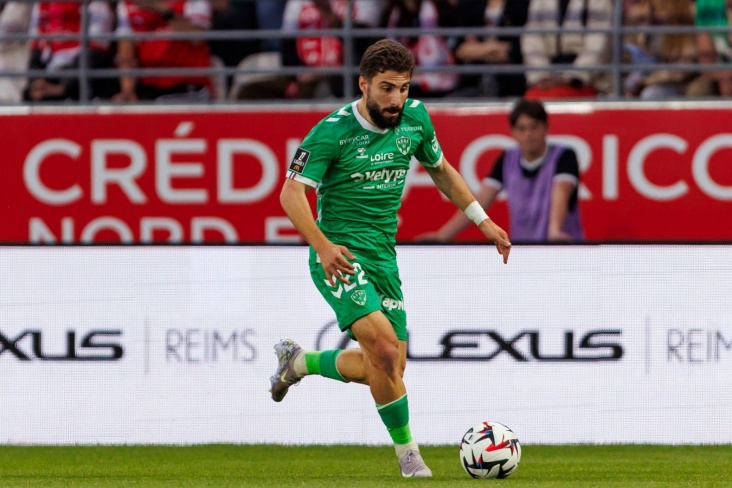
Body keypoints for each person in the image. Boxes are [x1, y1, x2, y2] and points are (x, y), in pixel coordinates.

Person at [271, 39, 511, 478]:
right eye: (386, 88)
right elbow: (291, 193)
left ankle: (300, 362)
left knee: (388, 366)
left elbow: (441, 170)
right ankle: (409, 457)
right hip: (340, 254)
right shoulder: (332, 131)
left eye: (403, 88)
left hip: (383, 256)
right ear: (364, 84)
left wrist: (482, 220)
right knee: (382, 348)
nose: (396, 99)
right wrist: (323, 246)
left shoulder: (415, 118)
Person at [419, 99, 583, 243]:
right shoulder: (507, 158)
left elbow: (561, 191)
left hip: (560, 248)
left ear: (545, 128)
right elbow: (481, 200)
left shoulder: (565, 156)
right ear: (513, 132)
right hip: (524, 251)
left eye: (534, 127)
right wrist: (443, 235)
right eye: (522, 128)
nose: (528, 134)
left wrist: (555, 231)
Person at [113, 0, 214, 102]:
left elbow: (196, 38)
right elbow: (125, 53)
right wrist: (127, 91)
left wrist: (163, 9)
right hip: (149, 87)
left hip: (189, 87)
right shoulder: (127, 4)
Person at [23, 1, 115, 102]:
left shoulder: (97, 5)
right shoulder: (43, 5)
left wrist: (63, 88)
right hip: (51, 74)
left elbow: (97, 50)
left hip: (81, 77)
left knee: (93, 63)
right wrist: (36, 81)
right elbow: (36, 48)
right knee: (29, 94)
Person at [521, 0, 613, 99]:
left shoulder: (599, 2)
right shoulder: (538, 2)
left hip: (586, 81)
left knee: (550, 98)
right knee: (532, 101)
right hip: (547, 77)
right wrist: (543, 76)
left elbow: (598, 45)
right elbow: (532, 40)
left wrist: (570, 78)